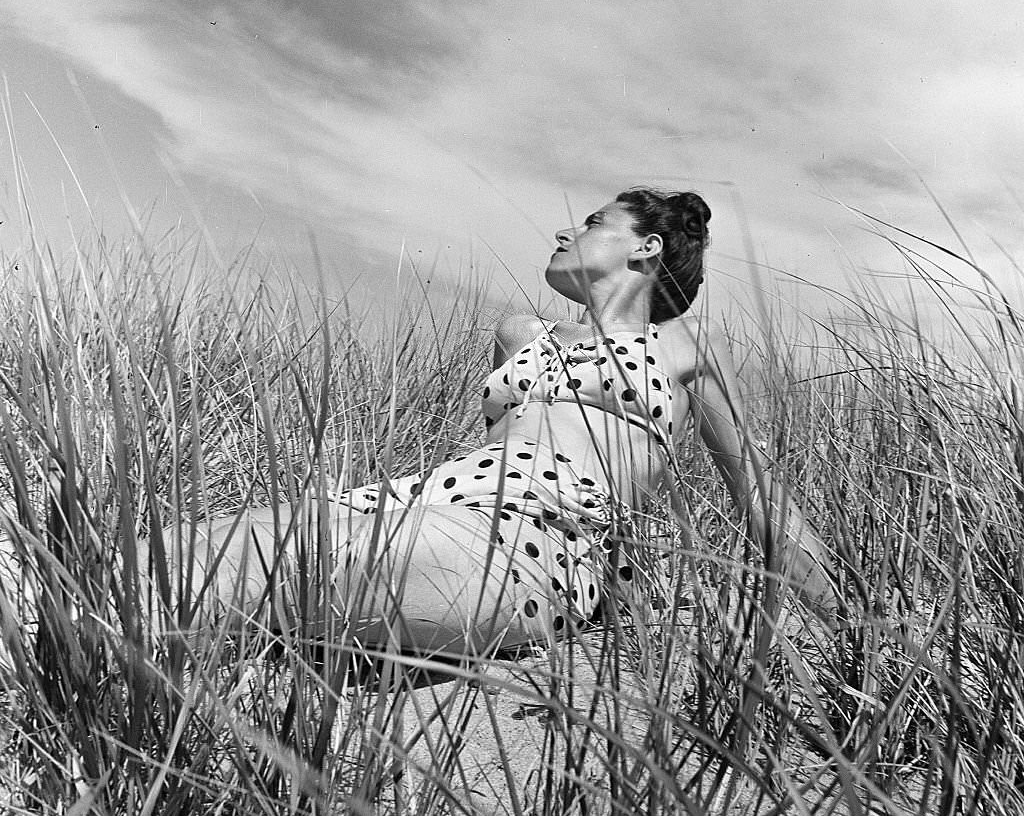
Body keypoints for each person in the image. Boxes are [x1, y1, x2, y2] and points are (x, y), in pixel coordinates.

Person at [167, 188, 838, 657]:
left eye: (594, 220)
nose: (565, 231)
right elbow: (485, 443)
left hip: (544, 523)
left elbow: (761, 494)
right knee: (202, 543)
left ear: (647, 247)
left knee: (307, 562)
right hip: (432, 491)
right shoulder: (521, 332)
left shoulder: (684, 347)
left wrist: (858, 632)